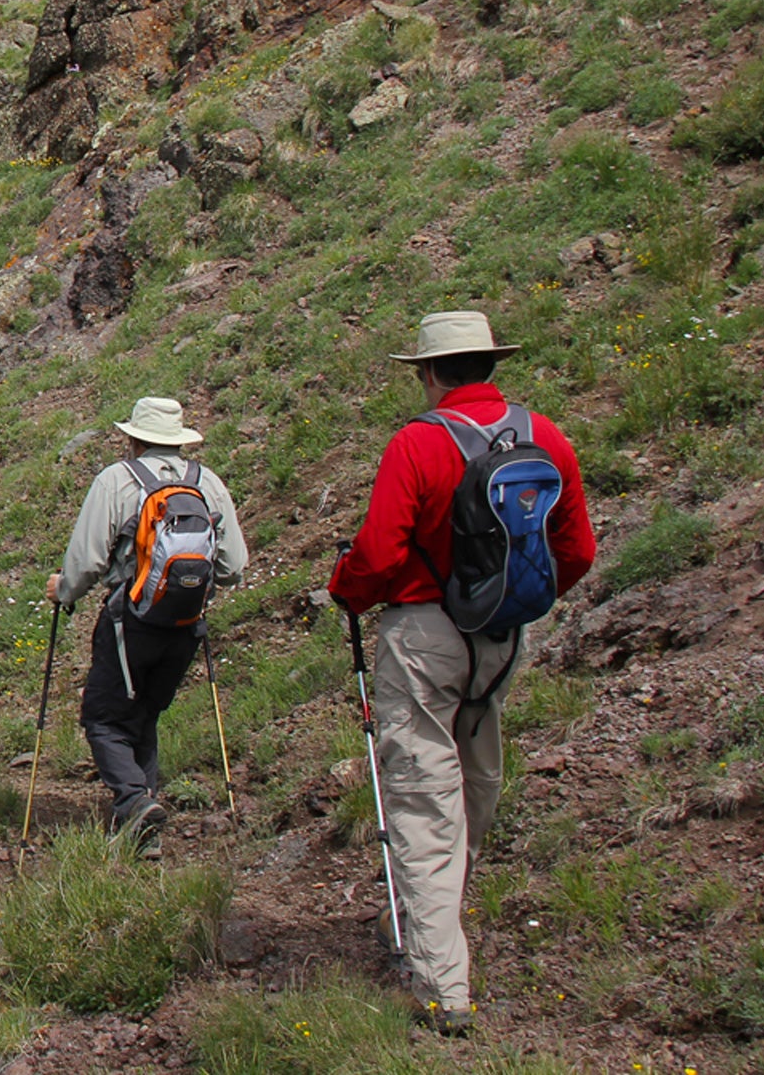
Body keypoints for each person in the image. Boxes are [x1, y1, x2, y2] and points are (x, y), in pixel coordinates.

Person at [329, 311, 596, 1036]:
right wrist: (513, 604)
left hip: (424, 633)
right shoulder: (545, 437)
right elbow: (576, 552)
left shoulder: (419, 443)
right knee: (474, 778)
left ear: (428, 372)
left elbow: (380, 551)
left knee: (421, 795)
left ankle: (441, 985)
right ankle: (443, 916)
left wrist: (346, 588)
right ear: (488, 365)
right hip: (503, 637)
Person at [45, 396, 248, 856]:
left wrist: (65, 590)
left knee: (103, 718)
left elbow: (88, 559)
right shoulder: (208, 484)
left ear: (134, 437)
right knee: (143, 715)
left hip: (129, 621)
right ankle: (143, 830)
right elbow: (235, 566)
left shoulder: (118, 481)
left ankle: (135, 802)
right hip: (185, 624)